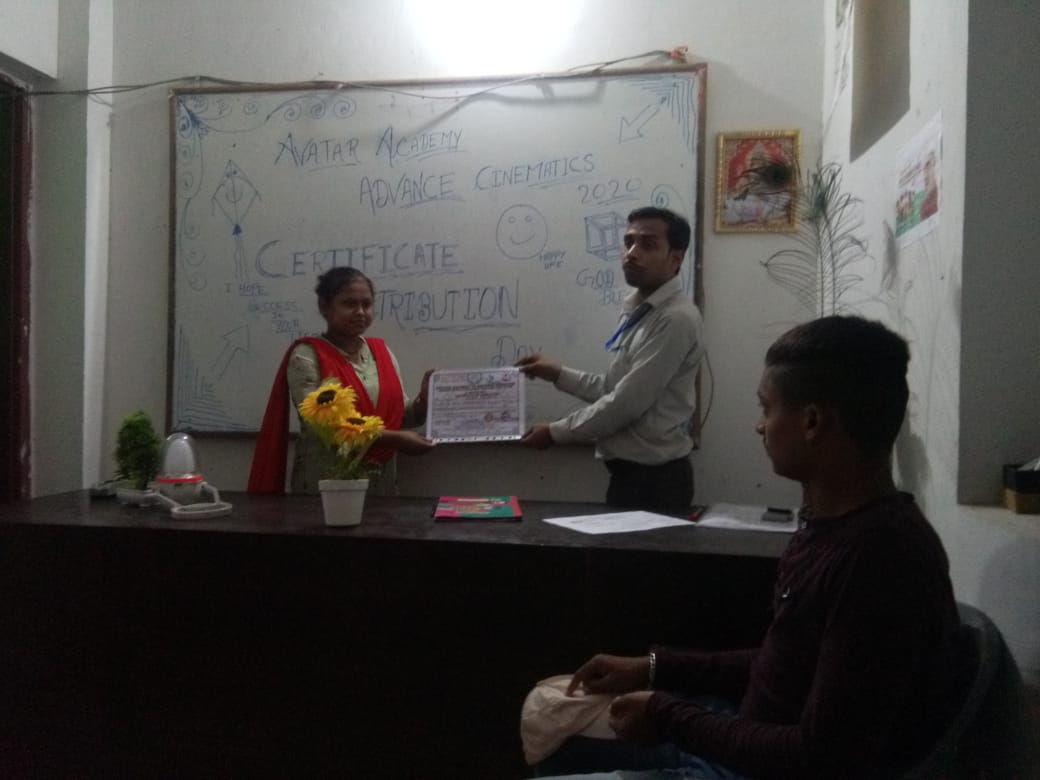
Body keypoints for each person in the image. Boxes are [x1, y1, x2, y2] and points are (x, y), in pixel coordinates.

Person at [533, 315, 964, 780]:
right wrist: (654, 668)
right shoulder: (830, 528)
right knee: (547, 719)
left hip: (759, 767)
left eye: (767, 408)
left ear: (812, 422)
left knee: (559, 733)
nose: (760, 426)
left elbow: (821, 757)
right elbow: (780, 664)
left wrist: (669, 716)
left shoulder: (881, 560)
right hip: (743, 735)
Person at [515, 206, 703, 516]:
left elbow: (626, 403)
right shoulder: (640, 310)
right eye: (628, 242)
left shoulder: (674, 319)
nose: (631, 253)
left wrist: (555, 432)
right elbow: (612, 388)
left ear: (676, 257)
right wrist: (557, 374)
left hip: (656, 483)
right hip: (629, 478)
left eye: (648, 244)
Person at [248, 266, 434, 494]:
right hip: (326, 487)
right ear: (324, 307)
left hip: (381, 487)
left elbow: (401, 417)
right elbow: (325, 427)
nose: (360, 312)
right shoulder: (306, 356)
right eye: (349, 304)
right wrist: (397, 440)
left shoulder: (381, 352)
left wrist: (425, 400)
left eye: (367, 304)